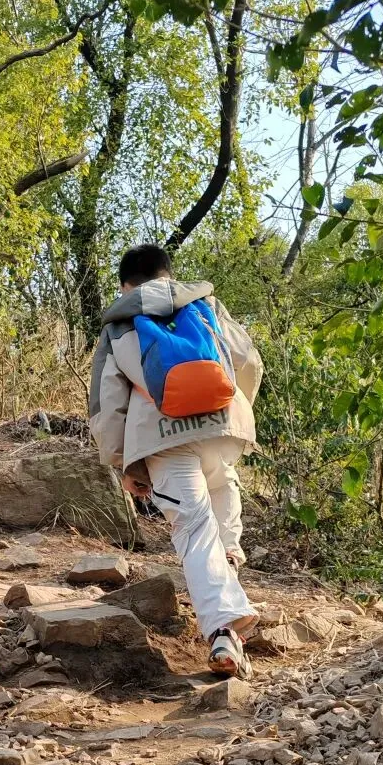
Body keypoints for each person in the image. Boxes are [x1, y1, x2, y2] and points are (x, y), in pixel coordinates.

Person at [89, 243, 263, 679]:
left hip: (163, 437)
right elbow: (248, 361)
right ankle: (228, 582)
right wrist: (232, 410)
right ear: (168, 272)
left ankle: (223, 627)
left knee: (193, 527)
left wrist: (123, 463)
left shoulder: (120, 322)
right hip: (224, 428)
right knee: (221, 498)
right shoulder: (206, 304)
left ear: (125, 285)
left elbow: (108, 402)